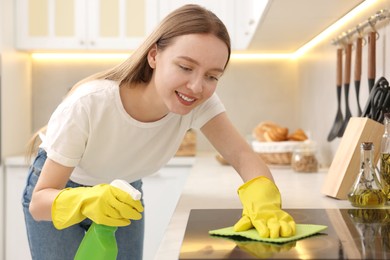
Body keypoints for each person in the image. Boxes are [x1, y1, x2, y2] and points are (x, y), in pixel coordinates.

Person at [22, 4, 296, 260]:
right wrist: (87, 200)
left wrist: (265, 200)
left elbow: (242, 155)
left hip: (124, 192)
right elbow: (39, 204)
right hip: (64, 191)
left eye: (212, 76)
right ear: (154, 55)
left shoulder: (199, 103)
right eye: (186, 67)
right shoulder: (90, 102)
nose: (197, 87)